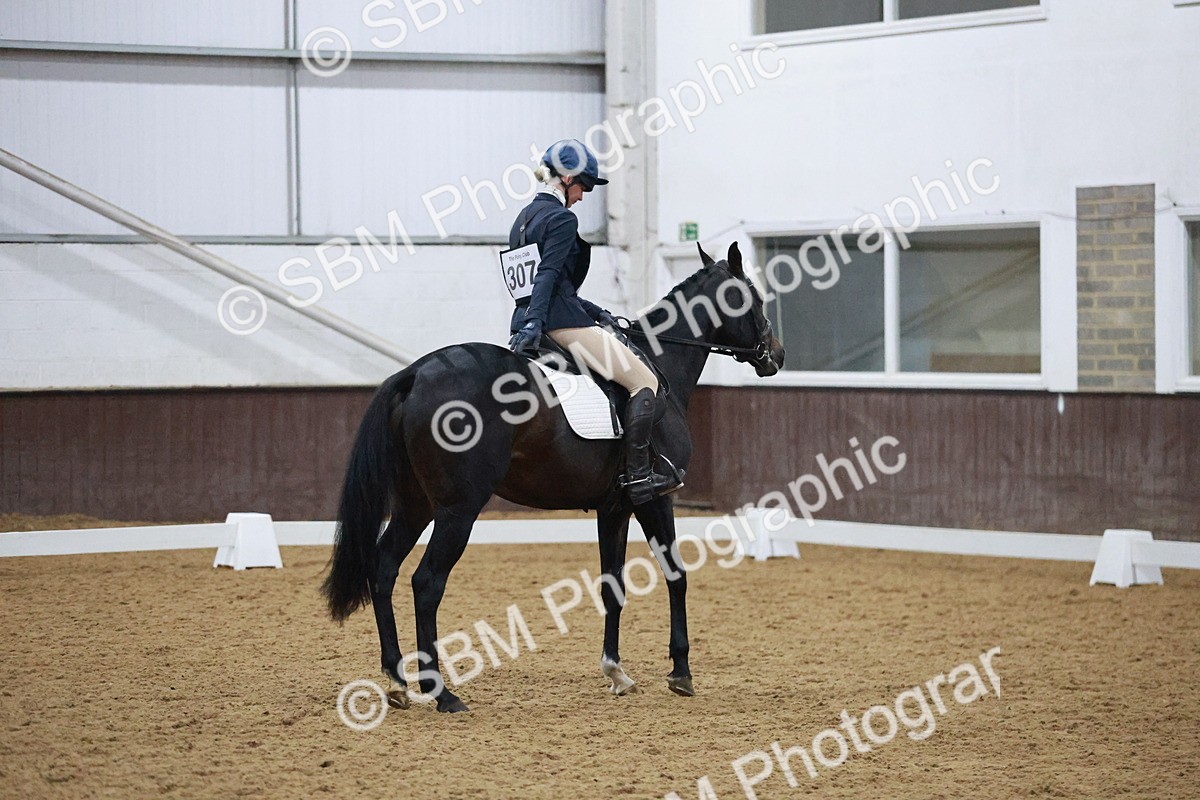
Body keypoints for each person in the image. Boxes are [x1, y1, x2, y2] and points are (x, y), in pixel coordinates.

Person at [505, 139, 681, 505]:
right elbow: (548, 275)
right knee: (644, 381)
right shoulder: (561, 218)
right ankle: (638, 476)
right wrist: (538, 323)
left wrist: (595, 312)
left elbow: (546, 286)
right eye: (583, 185)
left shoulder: (523, 219)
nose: (583, 196)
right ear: (566, 178)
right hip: (556, 325)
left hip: (529, 317)